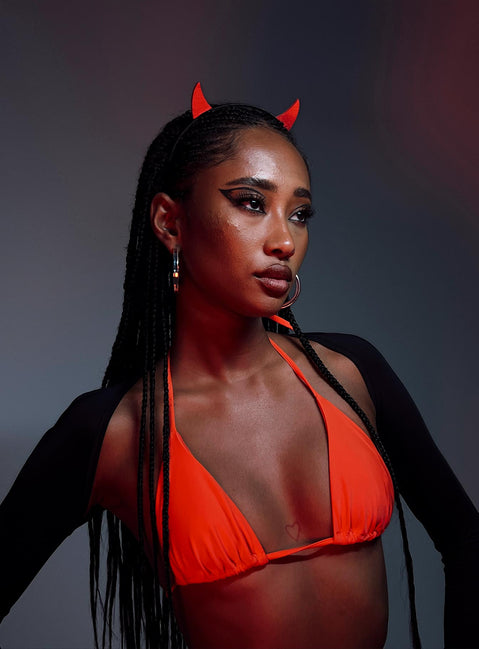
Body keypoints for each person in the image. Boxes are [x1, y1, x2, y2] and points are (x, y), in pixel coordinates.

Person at [0, 83, 478, 649]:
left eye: (299, 214)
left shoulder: (350, 373)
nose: (284, 240)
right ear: (170, 223)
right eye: (251, 203)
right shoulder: (117, 432)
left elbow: (466, 541)